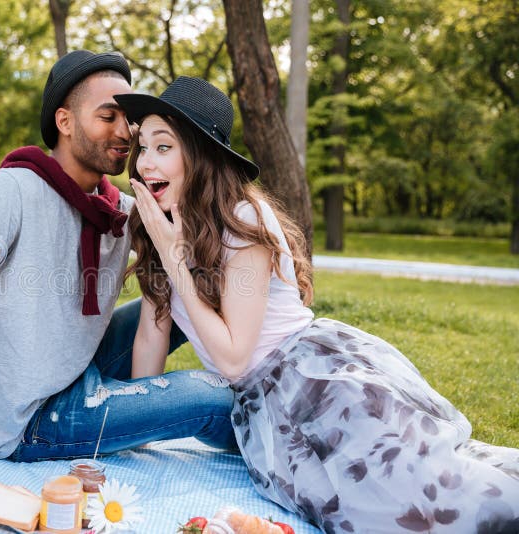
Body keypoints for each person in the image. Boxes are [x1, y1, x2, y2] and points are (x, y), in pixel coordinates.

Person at [116, 76, 519, 533]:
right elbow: (153, 330)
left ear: (201, 155)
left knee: (440, 505)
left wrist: (175, 261)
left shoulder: (242, 222)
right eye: (142, 147)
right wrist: (137, 431)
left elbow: (232, 358)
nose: (146, 162)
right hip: (262, 409)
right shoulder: (156, 224)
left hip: (316, 383)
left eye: (163, 146)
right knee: (358, 512)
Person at [0, 53, 237, 490]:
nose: (125, 131)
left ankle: (281, 391)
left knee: (195, 292)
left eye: (129, 119)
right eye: (108, 115)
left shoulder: (121, 210)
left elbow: (205, 251)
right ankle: (294, 445)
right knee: (214, 398)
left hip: (80, 370)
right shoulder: (8, 193)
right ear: (64, 121)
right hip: (31, 419)